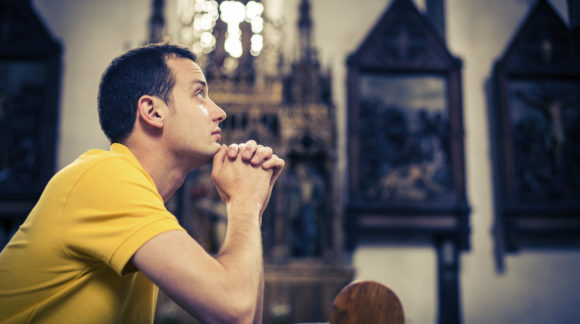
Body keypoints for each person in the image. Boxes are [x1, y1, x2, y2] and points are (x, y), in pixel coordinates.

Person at [0, 43, 285, 324]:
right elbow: (235, 312)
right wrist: (245, 202)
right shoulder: (104, 177)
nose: (219, 112)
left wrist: (252, 207)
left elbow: (246, 317)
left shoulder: (141, 199)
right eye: (199, 94)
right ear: (153, 111)